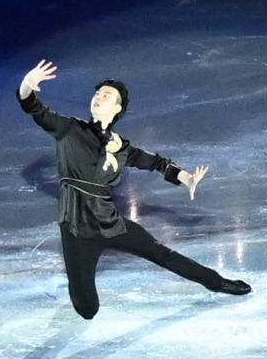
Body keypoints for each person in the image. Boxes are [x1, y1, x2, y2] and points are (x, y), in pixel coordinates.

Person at [16, 59, 251, 314]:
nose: (99, 97)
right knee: (88, 310)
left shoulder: (122, 146)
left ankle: (217, 283)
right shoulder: (70, 130)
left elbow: (156, 163)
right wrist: (27, 85)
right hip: (76, 229)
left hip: (111, 224)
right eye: (97, 93)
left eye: (107, 95)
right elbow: (34, 107)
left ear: (117, 108)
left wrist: (186, 178)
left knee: (161, 253)